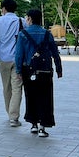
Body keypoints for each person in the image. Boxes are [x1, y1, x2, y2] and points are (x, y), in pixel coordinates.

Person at [15, 9, 63, 138]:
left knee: (31, 97)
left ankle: (34, 124)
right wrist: (59, 68)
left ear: (30, 18)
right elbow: (55, 52)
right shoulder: (47, 34)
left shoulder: (23, 34)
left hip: (28, 70)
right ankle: (43, 127)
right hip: (45, 70)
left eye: (27, 18)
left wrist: (18, 70)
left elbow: (19, 54)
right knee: (46, 98)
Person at [0, 0, 24, 127]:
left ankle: (10, 114)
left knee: (6, 87)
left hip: (3, 58)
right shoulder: (21, 21)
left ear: (3, 8)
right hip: (18, 59)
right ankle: (14, 117)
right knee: (17, 88)